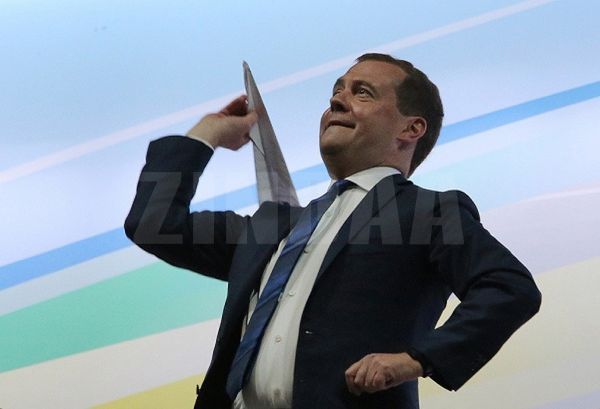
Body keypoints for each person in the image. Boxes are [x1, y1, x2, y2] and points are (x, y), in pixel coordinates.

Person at [124, 53, 541, 409]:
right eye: (336, 93)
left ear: (411, 129)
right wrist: (206, 134)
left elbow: (508, 288)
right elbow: (154, 224)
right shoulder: (274, 227)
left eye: (363, 93)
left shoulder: (427, 212)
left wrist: (416, 359)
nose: (337, 101)